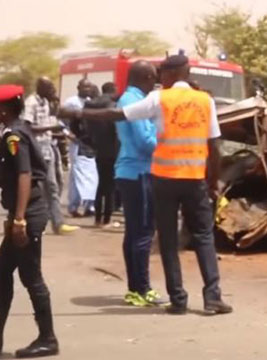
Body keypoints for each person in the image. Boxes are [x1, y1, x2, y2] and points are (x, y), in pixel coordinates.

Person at [60, 54, 232, 315]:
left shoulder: (158, 99)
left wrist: (78, 112)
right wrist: (213, 180)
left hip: (164, 179)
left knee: (167, 240)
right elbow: (214, 145)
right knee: (204, 237)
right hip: (194, 178)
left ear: (173, 74)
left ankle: (178, 299)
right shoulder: (205, 101)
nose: (158, 78)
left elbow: (117, 114)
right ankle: (212, 297)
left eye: (162, 73)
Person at [0, 85, 59, 358]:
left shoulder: (14, 136)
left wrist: (19, 220)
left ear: (3, 109)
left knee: (31, 276)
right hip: (22, 212)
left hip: (28, 213)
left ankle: (48, 338)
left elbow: (24, 175)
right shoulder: (14, 130)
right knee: (2, 271)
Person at [114, 61, 163, 306]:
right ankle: (142, 288)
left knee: (134, 232)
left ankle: (135, 288)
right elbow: (146, 141)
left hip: (130, 171)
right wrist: (166, 139)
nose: (154, 83)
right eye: (153, 78)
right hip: (139, 171)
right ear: (144, 77)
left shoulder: (127, 99)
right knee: (143, 232)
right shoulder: (135, 102)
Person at [22, 77, 79, 234]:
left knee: (53, 186)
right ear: (41, 88)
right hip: (35, 151)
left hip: (48, 149)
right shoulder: (31, 102)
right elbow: (27, 127)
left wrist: (62, 131)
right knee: (35, 189)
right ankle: (25, 222)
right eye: (50, 88)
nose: (52, 90)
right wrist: (49, 127)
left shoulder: (46, 103)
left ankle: (58, 223)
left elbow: (54, 123)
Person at [63, 79, 98, 217]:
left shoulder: (91, 102)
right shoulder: (71, 102)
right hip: (77, 143)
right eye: (85, 87)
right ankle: (74, 206)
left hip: (89, 143)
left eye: (90, 86)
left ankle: (89, 206)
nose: (88, 89)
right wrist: (68, 134)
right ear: (78, 87)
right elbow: (61, 121)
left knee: (92, 175)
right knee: (78, 175)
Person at [88, 82, 119, 227]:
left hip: (97, 148)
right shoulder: (113, 106)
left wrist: (86, 140)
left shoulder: (90, 105)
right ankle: (107, 219)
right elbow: (116, 129)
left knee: (101, 184)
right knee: (110, 186)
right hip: (113, 149)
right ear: (113, 90)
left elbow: (77, 123)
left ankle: (97, 218)